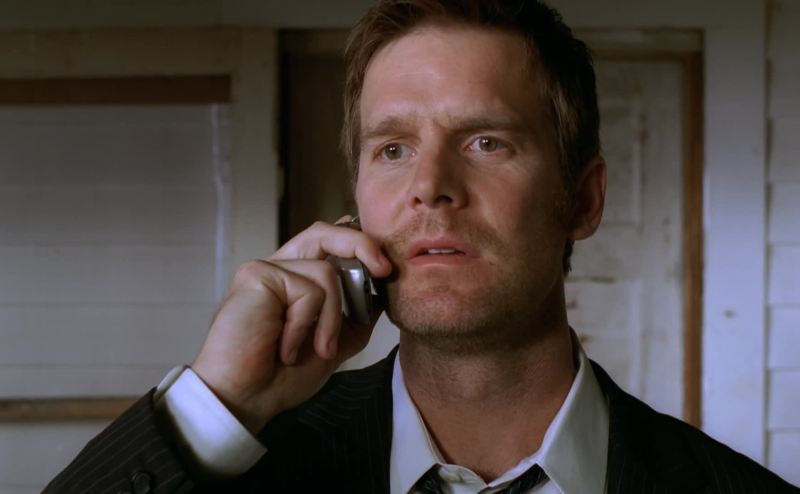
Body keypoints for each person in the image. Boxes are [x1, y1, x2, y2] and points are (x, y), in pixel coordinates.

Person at [46, 1, 797, 493]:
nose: (430, 187)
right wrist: (218, 401)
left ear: (582, 200)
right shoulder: (243, 465)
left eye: (486, 141)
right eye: (393, 149)